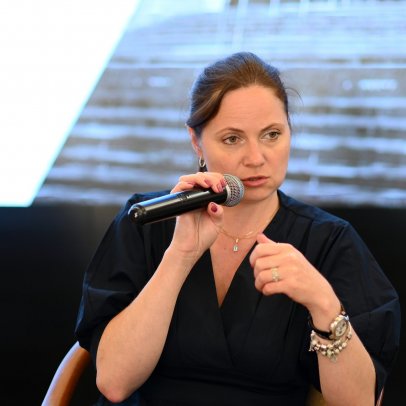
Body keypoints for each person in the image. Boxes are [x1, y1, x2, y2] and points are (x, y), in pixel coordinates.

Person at [75, 52, 400, 405]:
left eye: (272, 134)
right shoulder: (148, 221)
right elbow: (115, 382)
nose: (256, 158)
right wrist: (180, 256)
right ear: (196, 142)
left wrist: (324, 304)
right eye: (232, 139)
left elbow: (358, 401)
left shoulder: (330, 241)